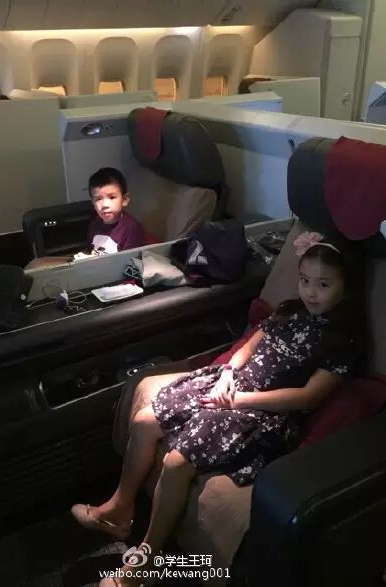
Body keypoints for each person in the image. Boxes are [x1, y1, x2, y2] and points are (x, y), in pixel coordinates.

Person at [71, 231, 366, 586]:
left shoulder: (342, 340)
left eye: (323, 284)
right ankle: (120, 509)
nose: (310, 292)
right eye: (305, 280)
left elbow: (307, 397)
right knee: (146, 420)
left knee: (176, 462)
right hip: (232, 385)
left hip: (263, 412)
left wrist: (238, 400)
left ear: (346, 288)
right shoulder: (289, 311)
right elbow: (249, 346)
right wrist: (227, 374)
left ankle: (147, 563)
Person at [86, 167, 146, 254]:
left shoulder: (132, 228)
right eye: (98, 199)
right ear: (93, 204)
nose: (105, 205)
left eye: (112, 197)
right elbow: (89, 251)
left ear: (124, 200)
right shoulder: (94, 225)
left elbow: (131, 259)